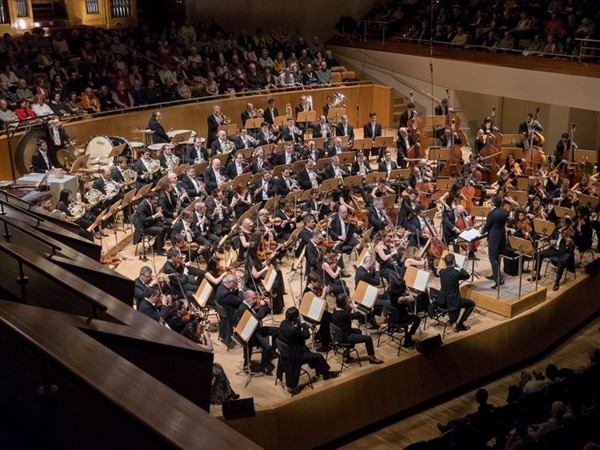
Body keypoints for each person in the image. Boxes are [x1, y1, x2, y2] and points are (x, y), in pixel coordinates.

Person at [278, 306, 339, 393]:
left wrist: (298, 323)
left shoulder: (283, 323)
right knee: (319, 356)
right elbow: (306, 335)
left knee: (308, 351)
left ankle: (319, 371)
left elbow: (296, 334)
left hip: (287, 352)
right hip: (295, 356)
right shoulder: (293, 330)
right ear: (296, 317)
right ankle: (326, 374)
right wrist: (303, 323)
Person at [180, 320, 239, 404]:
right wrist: (206, 336)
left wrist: (204, 335)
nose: (200, 329)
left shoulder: (192, 339)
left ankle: (228, 393)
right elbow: (210, 349)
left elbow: (204, 351)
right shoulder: (193, 344)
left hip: (199, 364)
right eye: (198, 329)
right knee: (218, 371)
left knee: (218, 367)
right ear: (193, 333)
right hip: (195, 370)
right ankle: (220, 397)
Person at [234, 290, 279, 375]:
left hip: (257, 329)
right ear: (247, 298)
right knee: (267, 347)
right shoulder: (243, 309)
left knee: (277, 331)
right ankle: (263, 367)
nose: (256, 300)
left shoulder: (250, 305)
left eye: (255, 297)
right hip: (251, 334)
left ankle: (272, 353)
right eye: (253, 298)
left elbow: (260, 316)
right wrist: (262, 306)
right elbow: (258, 316)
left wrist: (268, 306)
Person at [332, 295, 384, 364]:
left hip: (340, 333)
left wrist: (348, 305)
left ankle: (347, 353)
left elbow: (347, 313)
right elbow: (358, 315)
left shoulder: (335, 310)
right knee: (368, 338)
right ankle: (372, 357)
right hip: (347, 336)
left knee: (358, 331)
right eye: (347, 301)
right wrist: (353, 305)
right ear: (344, 303)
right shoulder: (344, 314)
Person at [529, 215, 575, 291]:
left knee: (561, 261)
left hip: (564, 252)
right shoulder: (558, 227)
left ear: (567, 224)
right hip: (554, 249)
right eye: (560, 221)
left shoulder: (571, 232)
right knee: (540, 253)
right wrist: (551, 240)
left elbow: (572, 247)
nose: (560, 223)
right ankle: (537, 274)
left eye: (563, 222)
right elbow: (551, 236)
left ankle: (557, 281)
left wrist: (567, 244)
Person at [438, 253, 475, 331]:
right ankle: (460, 324)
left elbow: (446, 270)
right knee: (471, 304)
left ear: (445, 262)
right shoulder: (456, 273)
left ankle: (454, 320)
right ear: (454, 262)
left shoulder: (441, 272)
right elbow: (467, 275)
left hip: (443, 300)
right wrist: (459, 266)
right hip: (454, 301)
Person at [482, 196, 508, 288]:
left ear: (493, 203)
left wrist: (481, 231)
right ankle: (496, 274)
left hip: (494, 237)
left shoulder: (492, 213)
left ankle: (498, 278)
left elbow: (488, 226)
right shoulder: (505, 211)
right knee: (498, 256)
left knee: (493, 257)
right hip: (502, 235)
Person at [132, 191, 169, 256]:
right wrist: (155, 216)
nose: (156, 201)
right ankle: (159, 250)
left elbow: (151, 213)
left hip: (150, 223)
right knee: (161, 230)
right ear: (149, 199)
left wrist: (157, 211)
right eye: (154, 199)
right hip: (143, 227)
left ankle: (155, 246)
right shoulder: (142, 206)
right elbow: (143, 220)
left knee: (165, 227)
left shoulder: (151, 203)